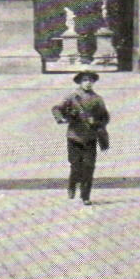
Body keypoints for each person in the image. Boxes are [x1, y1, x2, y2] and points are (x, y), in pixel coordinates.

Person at [52, 70, 110, 205]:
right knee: (76, 166)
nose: (88, 83)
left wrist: (96, 122)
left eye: (91, 80)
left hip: (90, 137)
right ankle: (72, 184)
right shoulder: (72, 97)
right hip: (74, 137)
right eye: (85, 80)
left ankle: (85, 196)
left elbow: (105, 117)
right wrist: (62, 119)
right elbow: (56, 109)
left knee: (89, 166)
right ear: (79, 82)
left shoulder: (97, 99)